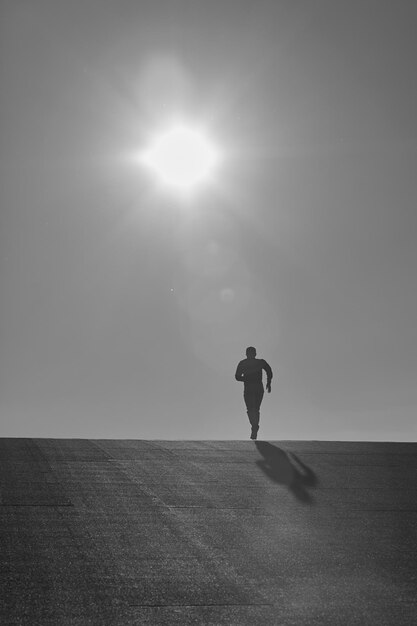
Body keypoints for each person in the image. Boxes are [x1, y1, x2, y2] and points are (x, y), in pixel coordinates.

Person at [235, 347, 273, 440]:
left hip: (256, 388)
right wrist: (248, 379)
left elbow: (269, 371)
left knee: (254, 409)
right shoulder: (244, 363)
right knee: (252, 409)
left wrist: (268, 382)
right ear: (247, 354)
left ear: (255, 354)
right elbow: (237, 376)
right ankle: (254, 426)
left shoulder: (259, 362)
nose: (251, 355)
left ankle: (254, 427)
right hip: (252, 388)